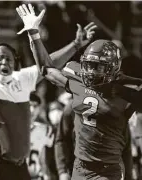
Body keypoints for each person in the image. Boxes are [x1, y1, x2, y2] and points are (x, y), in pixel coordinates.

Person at [0, 3, 97, 180]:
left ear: (16, 63)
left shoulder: (22, 79)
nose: (5, 62)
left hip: (21, 168)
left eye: (9, 58)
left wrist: (75, 45)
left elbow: (49, 63)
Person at [17, 3, 142, 179]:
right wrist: (34, 33)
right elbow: (45, 69)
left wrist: (124, 81)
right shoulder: (79, 80)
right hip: (79, 167)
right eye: (89, 66)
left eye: (98, 67)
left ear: (113, 68)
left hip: (107, 171)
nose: (91, 72)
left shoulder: (126, 93)